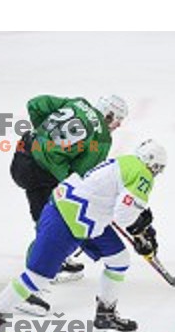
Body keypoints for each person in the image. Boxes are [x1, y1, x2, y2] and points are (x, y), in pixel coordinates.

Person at [0, 139, 168, 332]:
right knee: (37, 278)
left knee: (119, 259)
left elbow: (119, 205)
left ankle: (105, 316)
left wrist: (142, 227)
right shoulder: (143, 174)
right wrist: (140, 231)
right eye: (158, 169)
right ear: (153, 164)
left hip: (84, 214)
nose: (156, 173)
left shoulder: (127, 161)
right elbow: (124, 216)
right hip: (67, 219)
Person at [10, 94, 128, 286]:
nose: (119, 125)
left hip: (22, 157)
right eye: (118, 119)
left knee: (43, 214)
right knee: (53, 223)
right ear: (108, 114)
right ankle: (34, 280)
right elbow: (82, 175)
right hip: (42, 173)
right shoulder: (102, 138)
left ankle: (54, 261)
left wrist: (44, 138)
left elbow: (34, 104)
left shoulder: (78, 102)